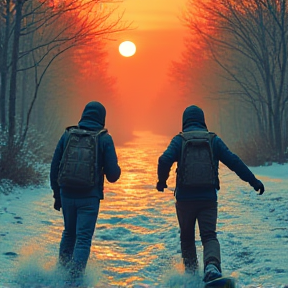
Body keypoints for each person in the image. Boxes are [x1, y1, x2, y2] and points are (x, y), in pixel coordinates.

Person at [156, 105, 264, 283]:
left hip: (184, 199)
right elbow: (234, 161)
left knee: (187, 236)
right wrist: (253, 181)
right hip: (208, 198)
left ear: (185, 121)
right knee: (209, 235)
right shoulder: (213, 140)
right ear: (202, 120)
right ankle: (212, 266)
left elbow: (164, 159)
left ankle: (191, 275)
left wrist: (162, 182)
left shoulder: (179, 140)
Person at [50, 101, 121, 285]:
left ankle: (61, 273)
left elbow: (54, 166)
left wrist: (57, 195)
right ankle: (74, 281)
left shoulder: (68, 134)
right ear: (102, 118)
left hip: (66, 194)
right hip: (89, 197)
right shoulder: (104, 138)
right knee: (82, 239)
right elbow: (113, 175)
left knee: (68, 233)